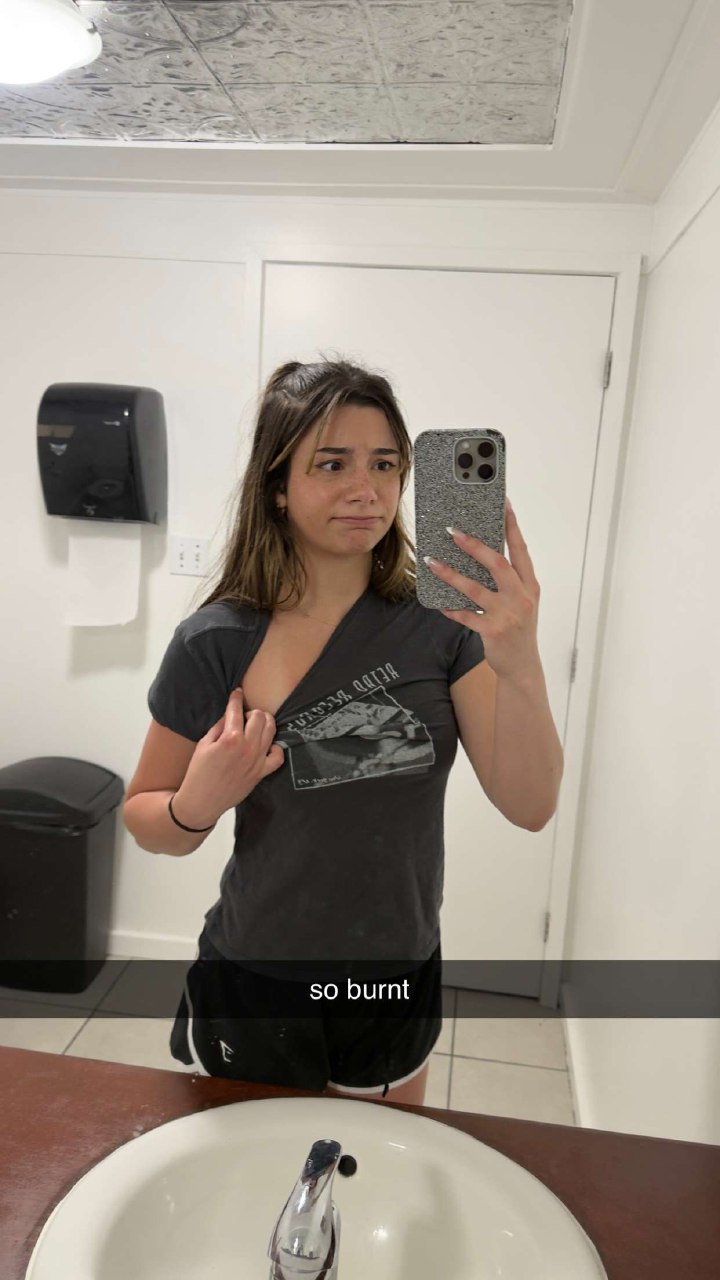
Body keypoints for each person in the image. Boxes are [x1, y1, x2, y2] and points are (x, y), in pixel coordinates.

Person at [123, 355, 561, 1105]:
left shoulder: (444, 629)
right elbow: (145, 818)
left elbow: (530, 806)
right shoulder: (215, 641)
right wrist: (198, 803)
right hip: (255, 974)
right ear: (278, 487)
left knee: (374, 1167)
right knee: (244, 1167)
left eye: (385, 464)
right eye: (333, 464)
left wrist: (519, 661)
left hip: (391, 978)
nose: (367, 489)